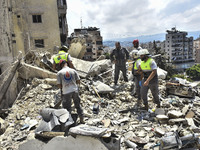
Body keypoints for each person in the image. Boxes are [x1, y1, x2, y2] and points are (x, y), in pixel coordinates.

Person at [57, 59, 84, 124]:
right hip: (75, 90)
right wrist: (72, 84)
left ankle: (69, 123)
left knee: (67, 108)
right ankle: (82, 119)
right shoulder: (73, 70)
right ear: (66, 64)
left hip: (66, 92)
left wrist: (65, 85)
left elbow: (59, 85)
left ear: (61, 65)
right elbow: (78, 81)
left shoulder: (59, 73)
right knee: (78, 105)